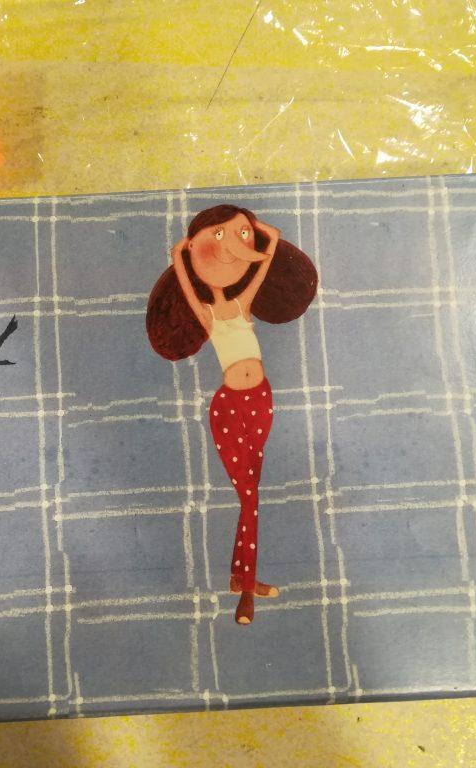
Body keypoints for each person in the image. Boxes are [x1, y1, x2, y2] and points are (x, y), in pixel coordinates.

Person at [146, 204, 318, 625]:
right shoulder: (207, 315)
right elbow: (185, 281)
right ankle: (246, 592)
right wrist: (179, 254)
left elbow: (264, 260)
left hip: (260, 397)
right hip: (229, 405)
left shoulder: (243, 305)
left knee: (251, 493)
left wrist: (264, 233)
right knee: (249, 497)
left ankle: (242, 577)